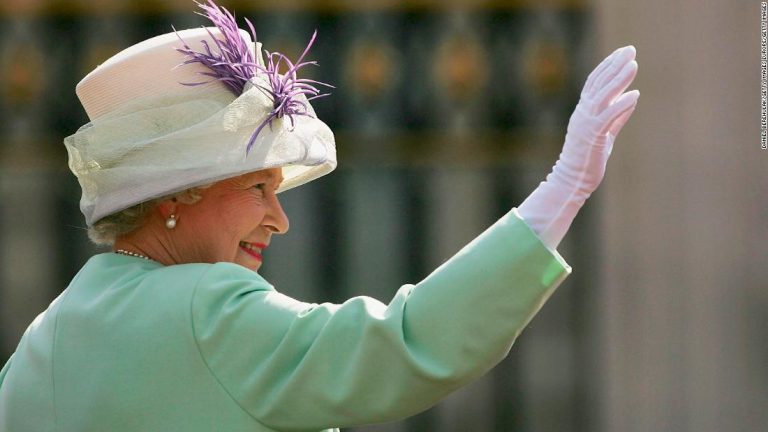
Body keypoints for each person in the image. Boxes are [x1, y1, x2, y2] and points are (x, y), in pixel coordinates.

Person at [0, 1, 639, 430]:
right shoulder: (204, 307)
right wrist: (560, 194)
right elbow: (401, 346)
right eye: (257, 188)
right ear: (175, 195)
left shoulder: (45, 340)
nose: (279, 220)